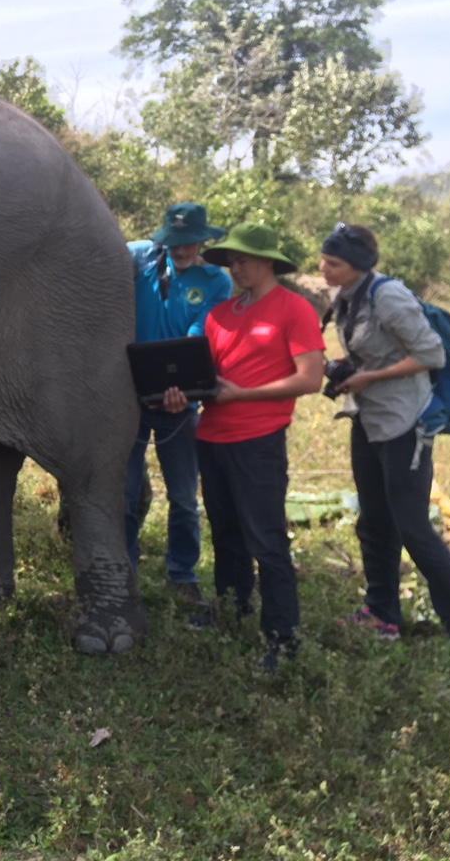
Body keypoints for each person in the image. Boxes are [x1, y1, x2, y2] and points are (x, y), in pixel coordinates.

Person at [162, 223, 324, 671]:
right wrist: (180, 395)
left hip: (258, 442)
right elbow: (205, 378)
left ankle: (282, 637)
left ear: (268, 261)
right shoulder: (219, 315)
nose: (236, 267)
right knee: (226, 533)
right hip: (211, 438)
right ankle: (233, 610)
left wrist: (242, 395)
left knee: (266, 540)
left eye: (244, 259)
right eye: (232, 260)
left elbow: (311, 378)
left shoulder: (294, 310)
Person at [319, 222, 450, 663]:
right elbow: (369, 350)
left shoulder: (388, 295)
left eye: (332, 262)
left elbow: (431, 354)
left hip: (405, 423)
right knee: (373, 521)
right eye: (324, 259)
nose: (323, 268)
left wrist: (370, 377)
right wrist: (343, 367)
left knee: (412, 527)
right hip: (367, 419)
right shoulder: (345, 297)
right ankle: (382, 614)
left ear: (358, 265)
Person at [125, 202, 232, 608]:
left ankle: (182, 576)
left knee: (185, 497)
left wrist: (181, 388)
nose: (182, 249)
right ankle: (124, 570)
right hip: (129, 398)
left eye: (189, 242)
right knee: (125, 492)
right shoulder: (142, 262)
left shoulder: (214, 281)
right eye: (174, 241)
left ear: (202, 240)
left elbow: (197, 335)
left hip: (180, 403)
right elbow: (107, 250)